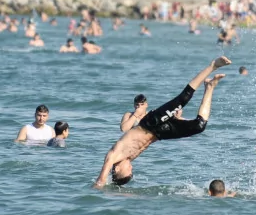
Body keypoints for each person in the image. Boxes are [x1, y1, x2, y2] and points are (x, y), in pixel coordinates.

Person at [94, 56, 231, 187]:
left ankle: (213, 65)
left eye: (128, 170)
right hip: (160, 134)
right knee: (199, 126)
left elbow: (101, 180)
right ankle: (210, 86)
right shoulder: (127, 159)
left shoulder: (114, 155)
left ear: (117, 170)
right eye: (131, 170)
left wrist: (99, 186)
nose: (131, 167)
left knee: (183, 99)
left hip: (151, 123)